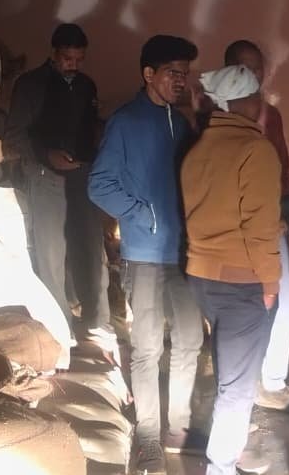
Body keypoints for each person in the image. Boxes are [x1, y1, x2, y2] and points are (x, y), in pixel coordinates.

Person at [89, 35, 205, 473]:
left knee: (190, 340)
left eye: (185, 74)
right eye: (173, 73)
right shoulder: (126, 122)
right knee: (147, 347)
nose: (181, 81)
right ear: (149, 74)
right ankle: (149, 437)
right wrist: (143, 215)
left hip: (185, 253)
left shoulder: (182, 123)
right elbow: (99, 185)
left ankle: (179, 427)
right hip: (145, 254)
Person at [182, 65, 283, 475]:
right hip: (242, 281)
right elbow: (260, 227)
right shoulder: (255, 150)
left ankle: (229, 451)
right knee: (237, 388)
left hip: (202, 276)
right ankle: (221, 465)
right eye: (259, 96)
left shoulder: (198, 149)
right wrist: (271, 282)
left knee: (230, 374)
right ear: (248, 102)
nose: (263, 103)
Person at [4, 23, 113, 353]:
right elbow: (14, 136)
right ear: (53, 54)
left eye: (79, 59)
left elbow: (90, 128)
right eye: (67, 58)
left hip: (81, 176)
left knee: (91, 248)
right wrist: (46, 154)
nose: (73, 65)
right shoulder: (30, 85)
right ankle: (60, 326)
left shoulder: (86, 86)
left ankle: (97, 321)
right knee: (51, 254)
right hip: (44, 176)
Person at [222, 39, 289, 414]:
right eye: (245, 67)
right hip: (231, 226)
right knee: (243, 306)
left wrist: (286, 211)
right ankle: (241, 384)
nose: (255, 75)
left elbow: (280, 167)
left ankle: (271, 382)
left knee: (285, 300)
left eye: (258, 68)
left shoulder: (270, 115)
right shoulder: (213, 117)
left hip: (271, 220)